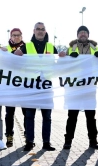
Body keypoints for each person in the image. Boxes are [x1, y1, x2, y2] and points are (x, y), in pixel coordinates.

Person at [14, 22, 63, 151]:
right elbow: (14, 61)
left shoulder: (51, 47)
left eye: (42, 29)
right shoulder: (26, 46)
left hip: (46, 88)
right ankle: (29, 141)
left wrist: (63, 58)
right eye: (38, 29)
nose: (40, 31)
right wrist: (15, 55)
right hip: (31, 88)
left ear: (45, 31)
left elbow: (59, 64)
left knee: (47, 117)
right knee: (29, 116)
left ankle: (46, 142)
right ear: (34, 31)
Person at [62, 26, 98, 150]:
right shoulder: (71, 48)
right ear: (77, 35)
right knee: (72, 116)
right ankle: (68, 140)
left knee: (91, 116)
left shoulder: (95, 47)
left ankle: (93, 140)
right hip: (74, 88)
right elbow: (63, 65)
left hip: (89, 87)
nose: (83, 34)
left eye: (85, 32)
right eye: (80, 32)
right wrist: (67, 56)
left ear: (88, 35)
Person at [3, 28, 26, 148]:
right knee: (9, 114)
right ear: (10, 36)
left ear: (21, 36)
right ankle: (9, 136)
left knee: (26, 112)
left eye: (18, 35)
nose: (16, 37)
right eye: (14, 35)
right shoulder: (5, 49)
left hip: (24, 86)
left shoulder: (26, 48)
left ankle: (28, 135)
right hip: (10, 86)